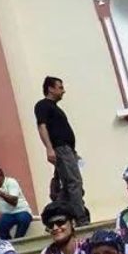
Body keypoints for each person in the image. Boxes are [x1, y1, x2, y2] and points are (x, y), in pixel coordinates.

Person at [34, 76, 89, 225]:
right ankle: (81, 218)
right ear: (50, 88)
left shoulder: (55, 108)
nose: (63, 91)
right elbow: (42, 126)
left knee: (65, 187)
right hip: (60, 149)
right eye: (60, 87)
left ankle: (55, 215)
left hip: (67, 150)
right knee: (74, 182)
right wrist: (49, 149)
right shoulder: (43, 105)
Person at [0, 167, 33, 241]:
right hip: (7, 214)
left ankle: (17, 242)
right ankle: (9, 244)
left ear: (1, 176)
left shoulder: (11, 182)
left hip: (21, 211)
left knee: (24, 220)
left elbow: (14, 202)